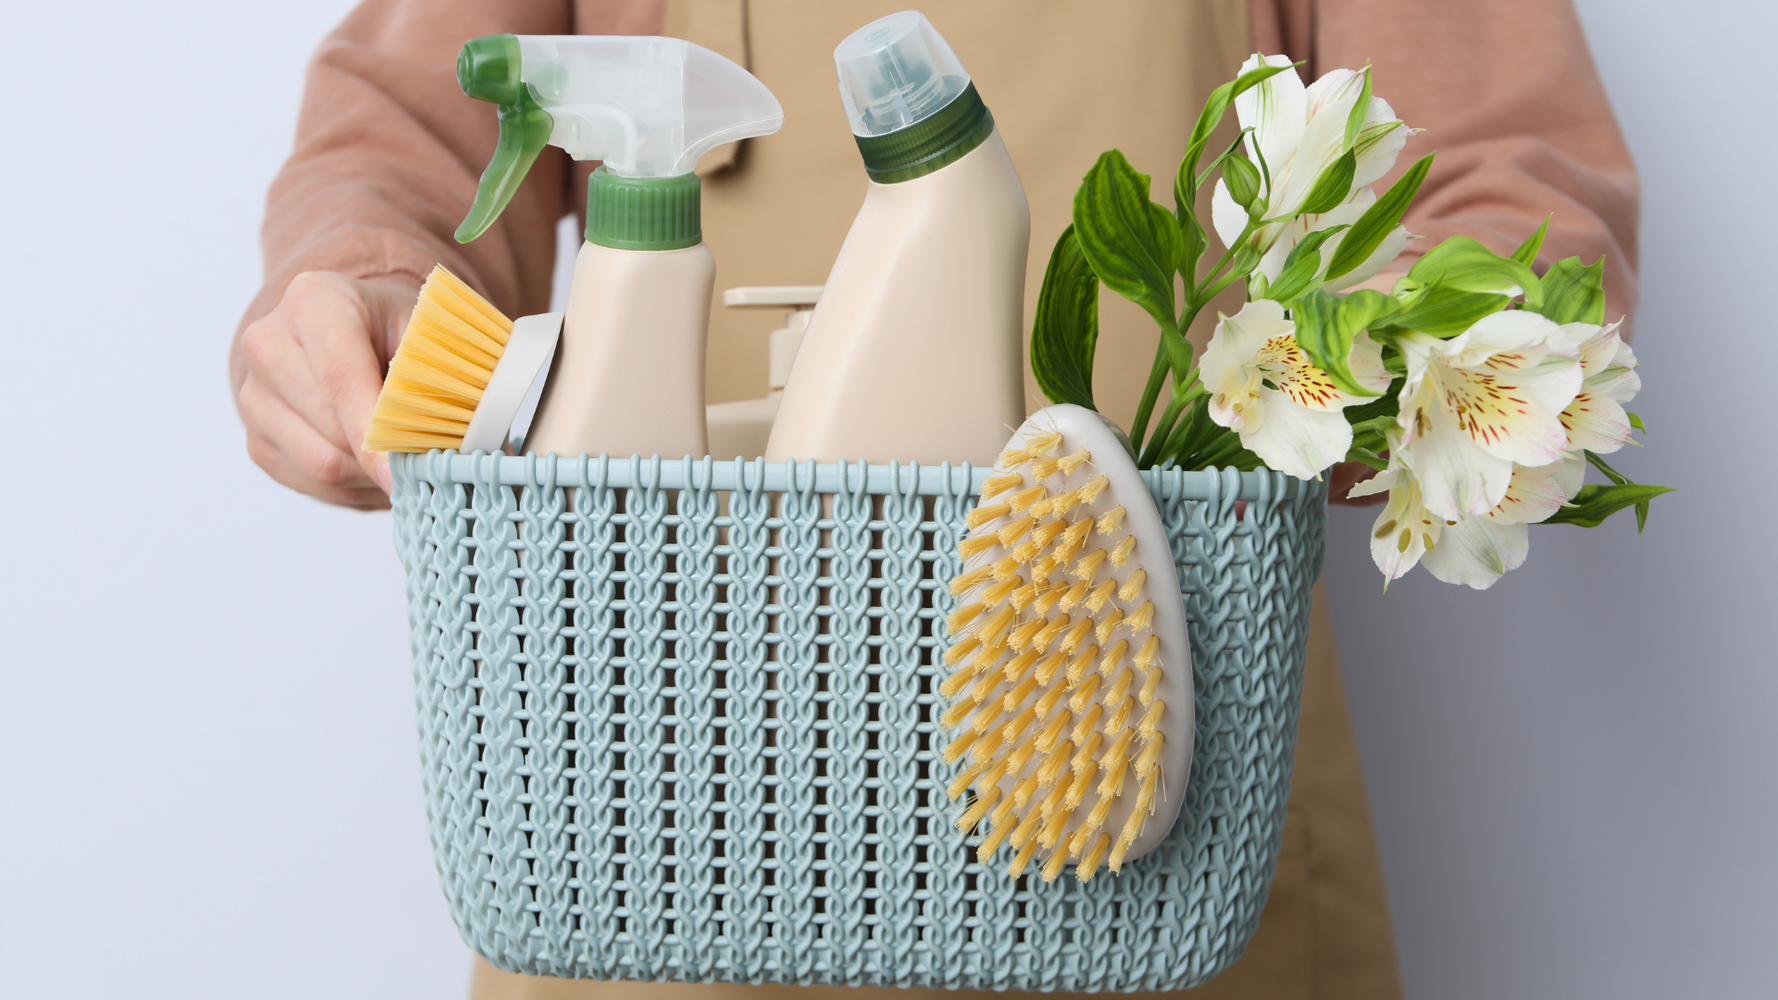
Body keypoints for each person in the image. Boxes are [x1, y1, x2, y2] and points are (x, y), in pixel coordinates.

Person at [232, 2, 1637, 997]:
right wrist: (356, 292)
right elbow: (406, 123)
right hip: (651, 808)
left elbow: (1498, 175)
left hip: (1156, 770)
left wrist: (1402, 370)